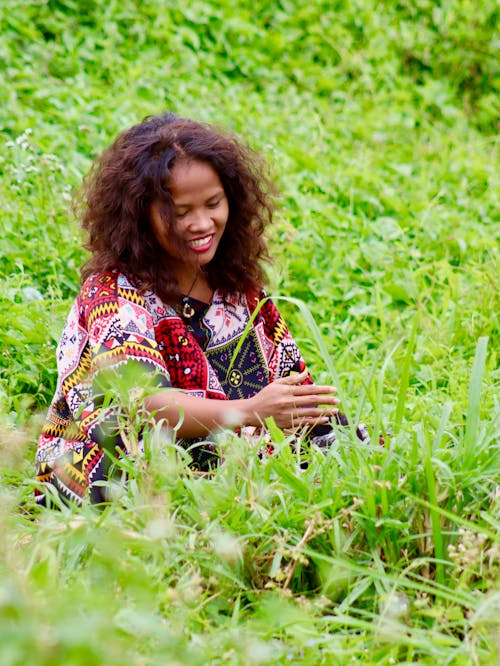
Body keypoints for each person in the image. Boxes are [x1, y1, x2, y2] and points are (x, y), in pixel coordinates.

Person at [35, 112, 345, 506]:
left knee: (339, 445)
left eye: (213, 204)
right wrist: (250, 411)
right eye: (181, 213)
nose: (202, 223)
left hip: (220, 458)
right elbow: (142, 404)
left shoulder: (236, 286)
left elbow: (293, 392)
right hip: (115, 471)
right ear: (141, 216)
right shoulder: (113, 293)